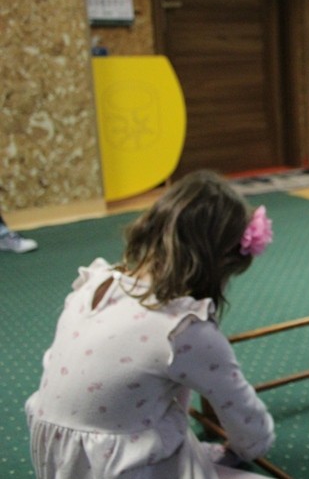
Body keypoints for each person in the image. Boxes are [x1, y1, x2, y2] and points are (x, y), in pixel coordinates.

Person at [26, 170, 276, 478]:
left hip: (59, 456)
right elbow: (243, 414)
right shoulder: (184, 329)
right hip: (117, 467)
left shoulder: (95, 283)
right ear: (219, 265)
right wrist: (253, 446)